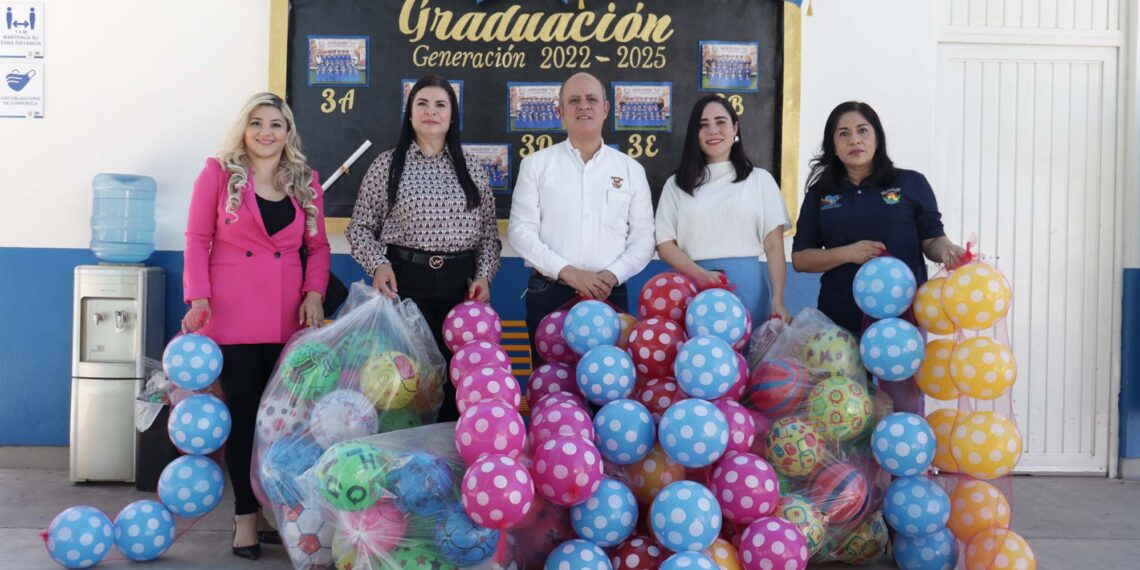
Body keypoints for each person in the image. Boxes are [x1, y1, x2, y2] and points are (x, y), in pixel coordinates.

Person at [182, 92, 330, 560]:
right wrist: (198, 296)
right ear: (244, 129)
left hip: (287, 315)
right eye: (257, 123)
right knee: (246, 415)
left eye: (276, 124)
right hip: (232, 313)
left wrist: (314, 294)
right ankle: (244, 516)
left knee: (281, 421)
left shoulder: (305, 180)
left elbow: (319, 248)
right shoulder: (218, 173)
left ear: (288, 133)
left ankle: (271, 509)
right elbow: (197, 238)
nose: (266, 132)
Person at [791, 101, 965, 414]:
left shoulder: (910, 183)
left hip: (900, 322)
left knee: (902, 409)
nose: (854, 140)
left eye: (862, 131)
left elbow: (932, 239)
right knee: (843, 414)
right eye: (843, 134)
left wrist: (948, 250)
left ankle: (900, 448)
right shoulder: (821, 194)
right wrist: (849, 253)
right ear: (833, 145)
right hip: (839, 319)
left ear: (877, 137)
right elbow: (801, 259)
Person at [346, 74, 501, 422]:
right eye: (422, 104)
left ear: (452, 115)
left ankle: (455, 452)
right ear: (410, 113)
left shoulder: (473, 169)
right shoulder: (387, 165)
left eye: (440, 105)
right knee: (408, 386)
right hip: (403, 285)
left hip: (462, 291)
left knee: (459, 383)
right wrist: (378, 264)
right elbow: (360, 228)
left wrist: (484, 276)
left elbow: (488, 236)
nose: (431, 112)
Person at [508, 72, 655, 363]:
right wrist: (568, 271)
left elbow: (643, 238)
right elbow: (520, 231)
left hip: (609, 293)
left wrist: (612, 275)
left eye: (591, 99)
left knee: (607, 382)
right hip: (550, 293)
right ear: (560, 111)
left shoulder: (631, 170)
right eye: (574, 100)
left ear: (606, 109)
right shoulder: (536, 165)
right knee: (551, 383)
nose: (583, 106)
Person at [656, 94, 791, 324]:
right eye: (703, 125)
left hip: (749, 289)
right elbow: (665, 244)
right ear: (694, 134)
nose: (713, 131)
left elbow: (774, 245)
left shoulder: (760, 180)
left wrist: (778, 300)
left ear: (735, 128)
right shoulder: (676, 184)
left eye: (721, 122)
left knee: (749, 346)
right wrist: (700, 275)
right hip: (693, 289)